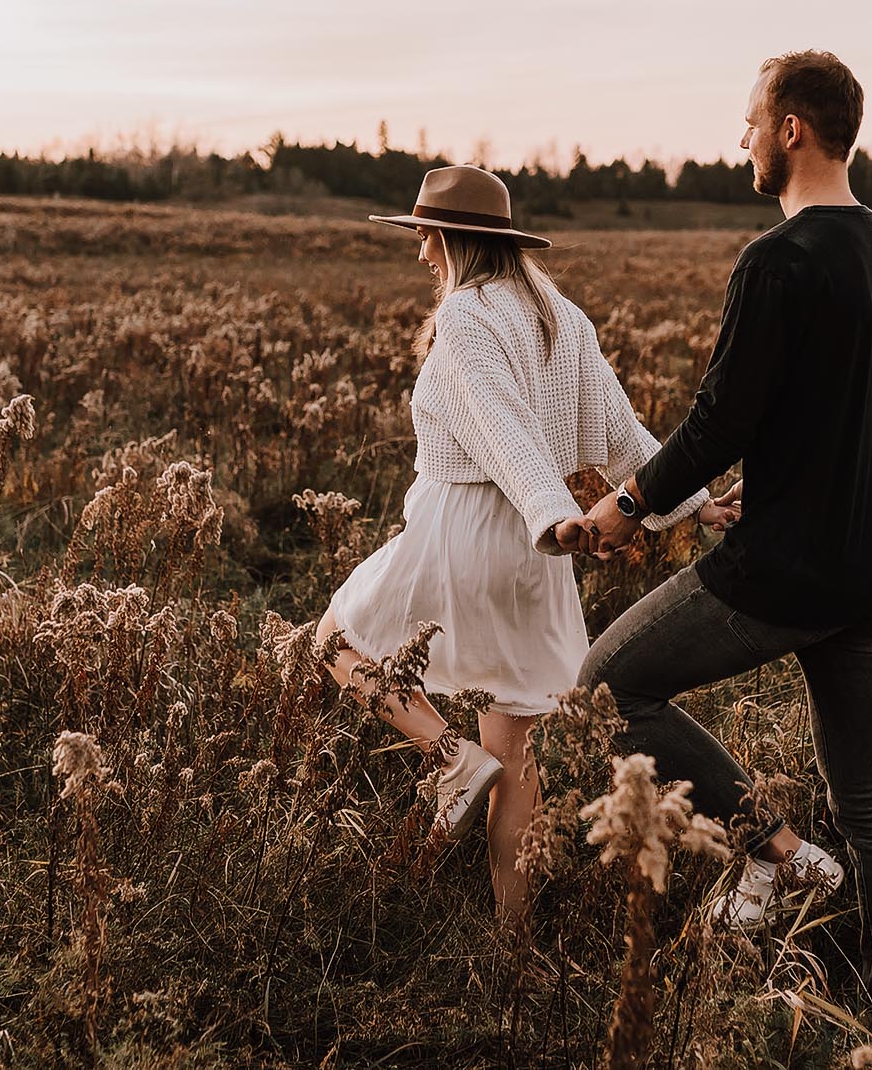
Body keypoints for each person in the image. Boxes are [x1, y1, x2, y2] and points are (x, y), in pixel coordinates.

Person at [576, 50, 872, 1008]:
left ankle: (773, 852)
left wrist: (625, 508)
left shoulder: (776, 261)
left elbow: (717, 425)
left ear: (792, 130)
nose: (738, 137)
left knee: (605, 686)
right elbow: (861, 416)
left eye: (749, 119)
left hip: (788, 575)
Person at [311, 163, 737, 919]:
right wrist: (693, 500)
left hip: (468, 533)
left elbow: (498, 423)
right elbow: (619, 430)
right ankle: (512, 943)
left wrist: (550, 511)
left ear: (453, 240)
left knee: (331, 639)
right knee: (517, 760)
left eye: (426, 238)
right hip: (536, 561)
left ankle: (447, 759)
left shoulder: (467, 318)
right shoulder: (559, 314)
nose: (420, 254)